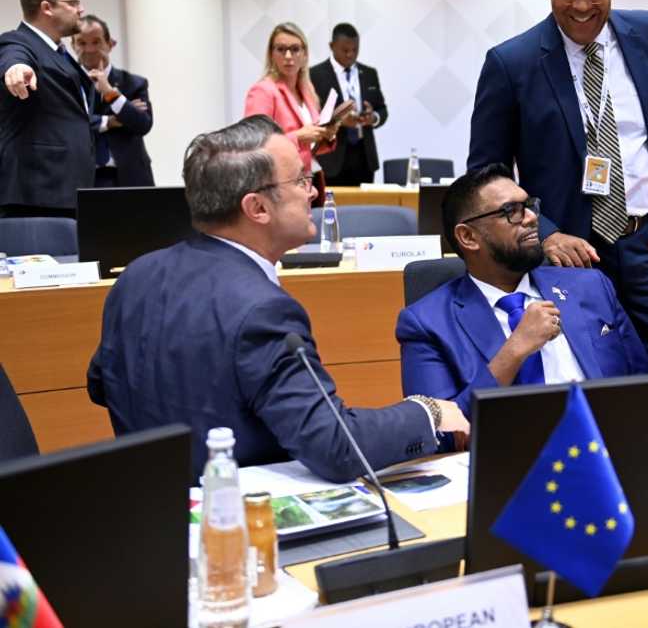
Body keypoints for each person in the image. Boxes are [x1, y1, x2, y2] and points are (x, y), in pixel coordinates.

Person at [87, 115, 468, 481]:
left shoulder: (135, 276)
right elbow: (335, 446)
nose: (313, 192)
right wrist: (427, 412)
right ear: (257, 208)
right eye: (300, 180)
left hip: (155, 506)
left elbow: (102, 383)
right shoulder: (263, 309)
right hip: (243, 519)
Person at [468, 0, 648, 371]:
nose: (581, 6)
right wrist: (546, 233)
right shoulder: (510, 63)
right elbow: (487, 175)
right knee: (585, 373)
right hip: (564, 256)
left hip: (643, 243)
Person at [397, 164, 648, 418]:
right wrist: (515, 351)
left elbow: (643, 390)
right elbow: (437, 430)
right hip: (505, 455)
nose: (532, 218)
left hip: (604, 449)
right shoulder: (426, 324)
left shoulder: (591, 286)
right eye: (512, 211)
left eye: (529, 206)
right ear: (468, 237)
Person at [0, 0, 93, 217]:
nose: (80, 9)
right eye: (73, 2)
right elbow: (14, 57)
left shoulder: (60, 53)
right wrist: (16, 69)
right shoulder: (18, 41)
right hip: (39, 194)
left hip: (67, 189)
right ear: (46, 7)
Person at [244, 22, 351, 205]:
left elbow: (310, 147)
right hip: (279, 186)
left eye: (295, 49)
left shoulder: (307, 91)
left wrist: (326, 135)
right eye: (281, 49)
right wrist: (299, 137)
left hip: (311, 180)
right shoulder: (263, 91)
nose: (288, 56)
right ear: (272, 54)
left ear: (304, 54)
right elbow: (253, 144)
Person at [73, 14, 154, 187]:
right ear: (72, 46)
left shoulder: (134, 83)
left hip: (130, 178)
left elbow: (143, 124)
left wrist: (110, 93)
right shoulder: (65, 85)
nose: (89, 49)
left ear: (110, 44)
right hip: (84, 181)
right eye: (81, 43)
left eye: (96, 42)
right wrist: (109, 121)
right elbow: (68, 124)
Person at [310, 22, 387, 186]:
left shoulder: (369, 73)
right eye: (345, 50)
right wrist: (338, 121)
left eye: (355, 50)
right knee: (331, 209)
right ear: (332, 46)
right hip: (331, 158)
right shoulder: (314, 75)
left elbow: (382, 109)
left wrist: (373, 117)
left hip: (364, 156)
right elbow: (310, 116)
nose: (351, 55)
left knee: (365, 210)